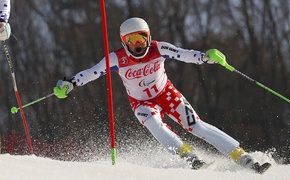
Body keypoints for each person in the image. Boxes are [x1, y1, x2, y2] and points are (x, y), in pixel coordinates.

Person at [53, 17, 270, 172]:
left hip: (166, 93)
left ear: (149, 37)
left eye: (141, 38)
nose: (138, 45)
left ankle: (241, 155)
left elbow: (184, 54)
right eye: (132, 41)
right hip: (141, 101)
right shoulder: (117, 58)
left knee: (196, 126)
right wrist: (71, 83)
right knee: (154, 125)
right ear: (124, 42)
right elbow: (92, 72)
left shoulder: (158, 48)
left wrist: (206, 57)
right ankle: (189, 156)